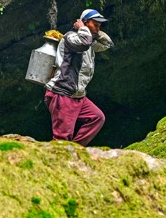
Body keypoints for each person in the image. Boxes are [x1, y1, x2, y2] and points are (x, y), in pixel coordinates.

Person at [44, 8, 114, 145]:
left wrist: (97, 33)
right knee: (62, 138)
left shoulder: (90, 41)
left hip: (77, 96)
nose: (99, 27)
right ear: (85, 23)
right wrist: (82, 28)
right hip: (62, 94)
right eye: (96, 24)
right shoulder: (70, 37)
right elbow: (83, 43)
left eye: (100, 25)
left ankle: (74, 149)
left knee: (97, 118)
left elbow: (108, 44)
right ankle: (59, 159)